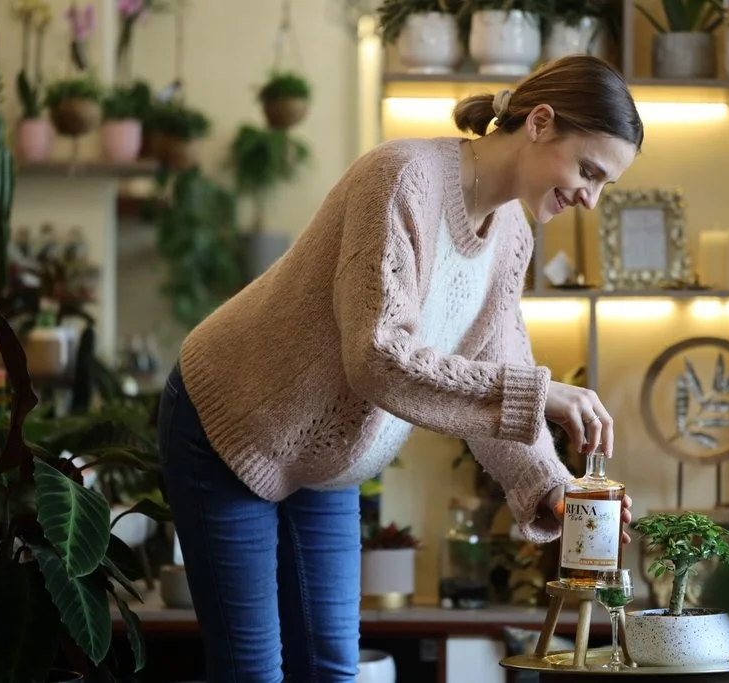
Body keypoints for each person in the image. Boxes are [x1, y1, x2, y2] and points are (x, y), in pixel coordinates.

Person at [157, 53, 644, 683]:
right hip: (231, 418)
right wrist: (545, 393)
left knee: (332, 668)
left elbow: (498, 374)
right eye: (588, 170)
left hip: (327, 459)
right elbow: (378, 358)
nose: (590, 198)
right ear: (541, 122)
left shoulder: (511, 239)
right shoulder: (402, 178)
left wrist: (556, 489)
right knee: (254, 671)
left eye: (605, 184)